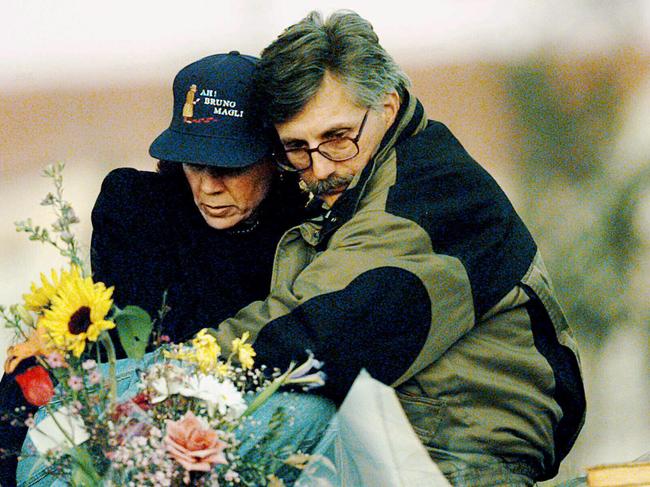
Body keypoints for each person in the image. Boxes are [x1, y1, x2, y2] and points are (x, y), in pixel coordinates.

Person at [209, 11, 587, 486]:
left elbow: (319, 333)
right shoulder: (364, 183)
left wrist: (175, 370)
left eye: (337, 137)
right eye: (296, 148)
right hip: (405, 438)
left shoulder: (426, 191)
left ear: (387, 107)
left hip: (457, 454)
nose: (320, 167)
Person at [1, 51, 315, 487]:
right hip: (120, 403)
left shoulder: (305, 227)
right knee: (25, 381)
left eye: (231, 167)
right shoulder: (136, 205)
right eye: (194, 163)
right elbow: (141, 337)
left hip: (232, 422)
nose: (208, 186)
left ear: (275, 156)